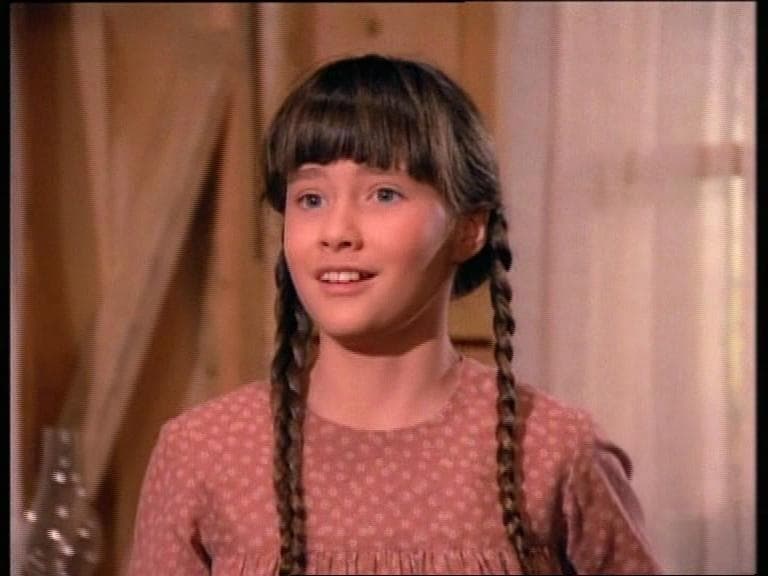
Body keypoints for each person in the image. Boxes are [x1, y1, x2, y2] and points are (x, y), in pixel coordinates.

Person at [126, 53, 661, 575]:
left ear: (468, 229)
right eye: (310, 199)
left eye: (383, 194)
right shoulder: (204, 454)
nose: (337, 232)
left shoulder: (551, 450)